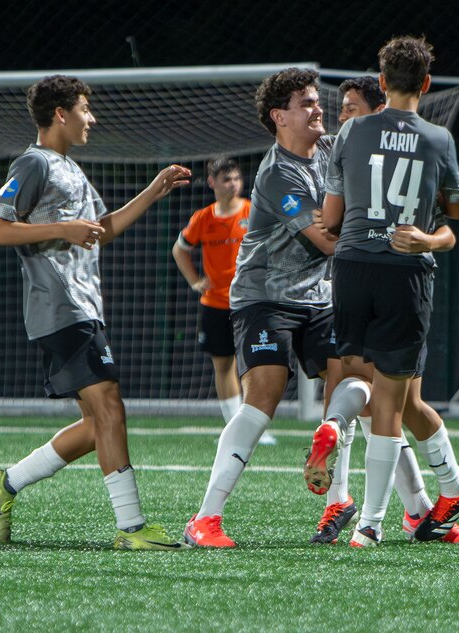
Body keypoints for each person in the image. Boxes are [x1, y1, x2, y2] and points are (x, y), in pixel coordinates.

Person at [0, 74, 192, 550]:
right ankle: (132, 529)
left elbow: (101, 229)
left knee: (100, 424)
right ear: (61, 114)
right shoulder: (33, 163)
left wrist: (154, 190)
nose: (91, 118)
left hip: (83, 305)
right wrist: (61, 228)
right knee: (111, 405)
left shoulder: (70, 168)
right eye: (84, 109)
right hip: (58, 305)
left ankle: (6, 483)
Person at [314, 36, 459, 547]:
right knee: (392, 400)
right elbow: (456, 213)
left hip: (354, 265)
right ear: (427, 85)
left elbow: (333, 216)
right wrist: (424, 235)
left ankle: (335, 426)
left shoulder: (352, 131)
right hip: (406, 271)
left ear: (381, 84)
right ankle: (372, 525)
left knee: (360, 382)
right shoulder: (439, 139)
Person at [184, 67, 352, 548]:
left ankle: (336, 501)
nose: (319, 108)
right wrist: (369, 233)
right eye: (306, 103)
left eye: (319, 100)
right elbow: (323, 240)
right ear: (280, 116)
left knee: (350, 377)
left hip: (318, 296)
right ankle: (205, 519)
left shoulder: (332, 151)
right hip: (264, 297)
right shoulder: (277, 172)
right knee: (266, 395)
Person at [171, 156, 275, 445]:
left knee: (257, 363)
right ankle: (234, 425)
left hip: (251, 302)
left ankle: (252, 424)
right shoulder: (203, 218)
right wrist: (195, 281)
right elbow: (179, 250)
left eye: (236, 178)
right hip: (215, 304)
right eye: (226, 179)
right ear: (212, 182)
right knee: (223, 364)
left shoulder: (253, 212)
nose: (233, 184)